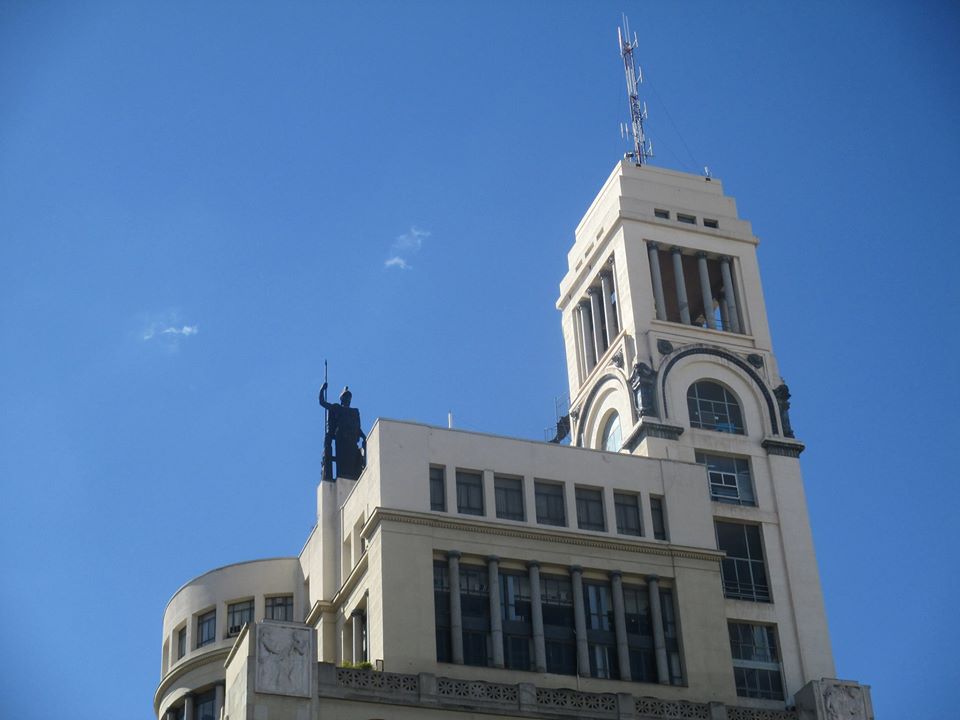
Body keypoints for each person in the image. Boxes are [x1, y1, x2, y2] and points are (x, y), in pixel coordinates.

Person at [319, 382, 366, 480]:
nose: (348, 399)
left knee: (352, 458)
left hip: (352, 438)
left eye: (349, 397)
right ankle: (342, 475)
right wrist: (322, 389)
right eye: (346, 397)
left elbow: (357, 427)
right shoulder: (337, 408)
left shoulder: (355, 412)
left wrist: (363, 436)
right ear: (342, 399)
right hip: (341, 437)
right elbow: (322, 402)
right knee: (342, 458)